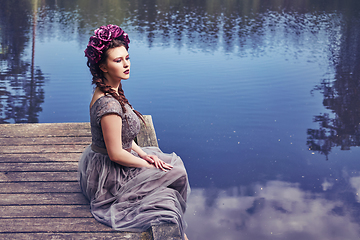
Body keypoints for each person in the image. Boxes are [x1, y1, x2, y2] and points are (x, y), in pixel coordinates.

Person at [78, 24, 190, 240]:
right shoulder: (109, 105)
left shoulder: (111, 86)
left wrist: (143, 153)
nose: (126, 64)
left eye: (127, 58)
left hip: (114, 160)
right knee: (175, 174)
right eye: (117, 61)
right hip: (109, 175)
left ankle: (180, 231)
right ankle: (179, 232)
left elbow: (123, 138)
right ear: (103, 66)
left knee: (171, 167)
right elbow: (115, 154)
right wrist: (147, 165)